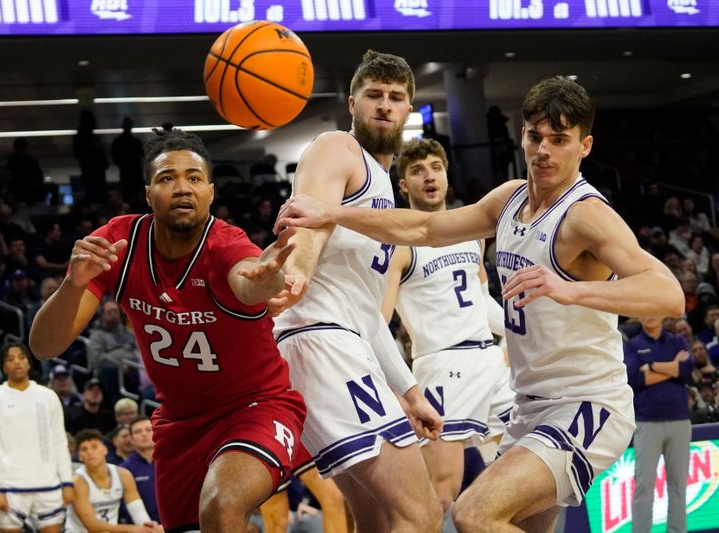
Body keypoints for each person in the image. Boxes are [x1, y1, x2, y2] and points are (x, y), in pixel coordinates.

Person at [275, 75, 685, 532]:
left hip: (586, 404)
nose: (544, 150)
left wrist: (574, 289)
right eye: (535, 136)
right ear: (521, 135)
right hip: (529, 406)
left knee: (473, 515)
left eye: (560, 140)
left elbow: (668, 293)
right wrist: (334, 212)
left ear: (584, 146)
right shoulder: (508, 198)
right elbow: (425, 230)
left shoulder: (586, 215)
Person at [29, 128, 306, 532]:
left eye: (194, 178)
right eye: (167, 178)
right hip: (179, 425)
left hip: (255, 407)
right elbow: (44, 346)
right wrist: (73, 284)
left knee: (223, 505)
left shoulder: (226, 244)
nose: (182, 188)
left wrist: (267, 281)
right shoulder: (119, 243)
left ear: (211, 192)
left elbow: (248, 280)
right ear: (147, 194)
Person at [270, 50, 443, 532]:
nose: (384, 106)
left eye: (395, 97)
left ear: (409, 110)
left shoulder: (383, 185)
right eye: (374, 96)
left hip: (339, 340)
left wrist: (409, 392)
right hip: (320, 340)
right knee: (421, 513)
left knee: (378, 518)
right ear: (353, 102)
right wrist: (299, 269)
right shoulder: (336, 149)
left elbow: (368, 312)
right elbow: (309, 217)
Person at [380, 137, 514, 513]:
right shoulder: (400, 244)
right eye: (417, 170)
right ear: (403, 184)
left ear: (446, 175)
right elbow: (379, 322)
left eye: (436, 167)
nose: (429, 177)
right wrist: (400, 388)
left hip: (489, 361)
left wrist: (517, 337)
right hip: (441, 367)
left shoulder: (470, 231)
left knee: (515, 478)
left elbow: (481, 300)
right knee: (440, 495)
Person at [0, 343, 73, 532]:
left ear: (29, 363)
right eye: (10, 359)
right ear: (4, 366)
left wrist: (67, 482)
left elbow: (60, 443)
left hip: (49, 483)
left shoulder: (48, 396)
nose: (17, 362)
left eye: (21, 357)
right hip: (10, 486)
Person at [624, 316, 693, 533]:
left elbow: (686, 370)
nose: (649, 315)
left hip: (680, 421)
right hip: (647, 422)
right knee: (644, 486)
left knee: (679, 485)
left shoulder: (678, 341)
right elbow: (635, 378)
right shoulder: (633, 344)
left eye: (653, 310)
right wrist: (672, 366)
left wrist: (651, 366)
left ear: (661, 313)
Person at [65, 429, 161, 533]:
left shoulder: (123, 475)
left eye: (94, 447)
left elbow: (137, 511)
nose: (90, 452)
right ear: (80, 456)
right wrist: (132, 529)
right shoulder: (78, 481)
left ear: (105, 450)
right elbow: (92, 526)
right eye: (84, 449)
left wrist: (147, 526)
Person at [120, 416, 159, 523]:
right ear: (131, 439)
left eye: (148, 430)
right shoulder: (124, 469)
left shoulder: (170, 462)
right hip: (142, 527)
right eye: (138, 431)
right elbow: (124, 505)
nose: (144, 434)